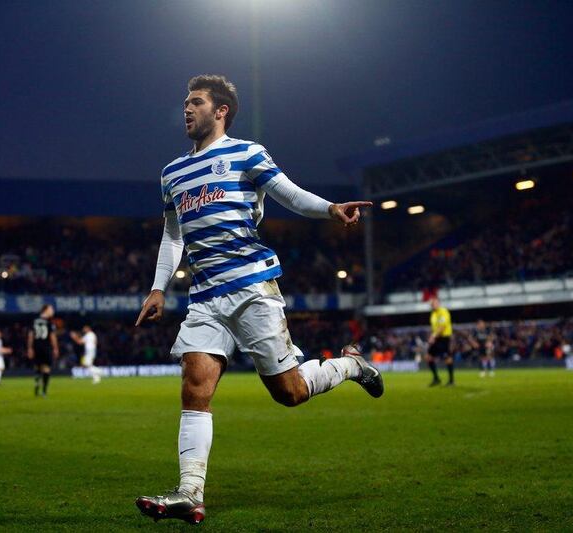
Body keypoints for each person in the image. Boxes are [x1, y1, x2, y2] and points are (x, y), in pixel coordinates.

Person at [134, 75, 383, 524]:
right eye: (186, 104)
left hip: (251, 288)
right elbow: (173, 235)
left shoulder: (248, 153)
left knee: (289, 393)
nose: (187, 110)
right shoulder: (172, 172)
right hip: (205, 296)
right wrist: (159, 287)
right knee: (195, 387)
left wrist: (330, 208)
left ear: (221, 110)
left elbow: (289, 194)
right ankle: (190, 492)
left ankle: (350, 365)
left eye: (196, 103)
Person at [28, 304, 58, 397]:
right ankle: (44, 391)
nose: (52, 311)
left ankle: (37, 382)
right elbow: (52, 336)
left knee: (37, 367)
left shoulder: (34, 321)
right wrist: (55, 348)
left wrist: (30, 348)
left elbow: (30, 335)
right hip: (46, 346)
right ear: (46, 310)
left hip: (36, 346)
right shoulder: (49, 322)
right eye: (51, 309)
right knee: (46, 368)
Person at [426, 297, 454, 386]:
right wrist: (433, 336)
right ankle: (436, 379)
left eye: (434, 303)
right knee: (429, 357)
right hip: (436, 338)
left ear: (438, 303)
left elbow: (442, 327)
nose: (432, 305)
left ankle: (451, 381)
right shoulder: (433, 314)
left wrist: (433, 336)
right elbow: (435, 327)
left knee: (447, 358)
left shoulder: (443, 311)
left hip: (444, 338)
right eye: (432, 304)